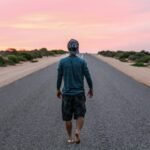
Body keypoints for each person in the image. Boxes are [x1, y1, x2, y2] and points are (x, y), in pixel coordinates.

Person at [56, 39, 93, 144]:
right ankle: (77, 131)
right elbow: (88, 76)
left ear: (68, 48)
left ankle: (70, 137)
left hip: (67, 94)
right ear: (77, 48)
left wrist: (58, 89)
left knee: (67, 117)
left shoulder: (62, 62)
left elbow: (59, 77)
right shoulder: (82, 62)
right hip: (79, 93)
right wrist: (91, 88)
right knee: (80, 114)